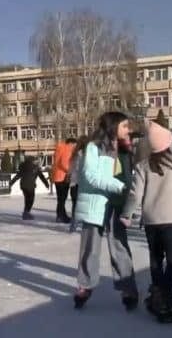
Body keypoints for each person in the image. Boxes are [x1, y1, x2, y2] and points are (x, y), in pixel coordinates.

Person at [120, 121, 172, 323]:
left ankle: (157, 294)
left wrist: (126, 214)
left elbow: (135, 194)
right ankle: (165, 297)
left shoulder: (142, 166)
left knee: (156, 259)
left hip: (151, 220)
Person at [73, 111, 139, 311]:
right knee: (90, 247)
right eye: (124, 126)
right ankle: (85, 284)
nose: (128, 130)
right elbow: (91, 176)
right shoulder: (94, 148)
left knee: (119, 246)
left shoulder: (126, 150)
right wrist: (119, 186)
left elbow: (132, 177)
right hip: (97, 202)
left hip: (118, 203)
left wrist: (131, 196)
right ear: (113, 127)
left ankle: (127, 287)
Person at [9, 156, 50, 220]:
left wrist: (11, 183)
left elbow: (17, 176)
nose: (36, 161)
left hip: (23, 186)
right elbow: (42, 177)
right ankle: (26, 213)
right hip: (30, 186)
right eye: (35, 160)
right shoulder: (35, 168)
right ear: (32, 161)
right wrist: (46, 184)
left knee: (27, 199)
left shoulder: (23, 167)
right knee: (30, 200)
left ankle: (26, 213)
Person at [52, 138, 77, 223]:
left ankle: (62, 215)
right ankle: (60, 216)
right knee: (62, 198)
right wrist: (71, 170)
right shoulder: (67, 149)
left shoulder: (59, 148)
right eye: (74, 145)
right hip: (63, 177)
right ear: (71, 143)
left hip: (57, 176)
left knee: (61, 198)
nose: (75, 147)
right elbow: (64, 163)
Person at [67, 136, 89, 232]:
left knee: (75, 205)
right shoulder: (88, 155)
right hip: (84, 183)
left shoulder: (75, 155)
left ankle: (73, 225)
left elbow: (71, 169)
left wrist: (69, 177)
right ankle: (85, 226)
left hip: (75, 183)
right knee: (85, 205)